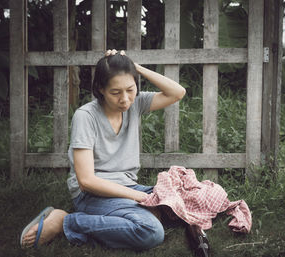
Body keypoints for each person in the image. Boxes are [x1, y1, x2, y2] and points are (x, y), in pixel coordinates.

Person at [20, 49, 186, 249]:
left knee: (184, 201)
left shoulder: (135, 104)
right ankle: (66, 221)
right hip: (92, 195)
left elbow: (177, 92)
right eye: (115, 92)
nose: (124, 99)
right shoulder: (86, 117)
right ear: (100, 89)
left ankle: (134, 215)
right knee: (151, 232)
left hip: (127, 187)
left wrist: (134, 67)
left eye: (130, 89)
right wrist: (140, 197)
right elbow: (86, 181)